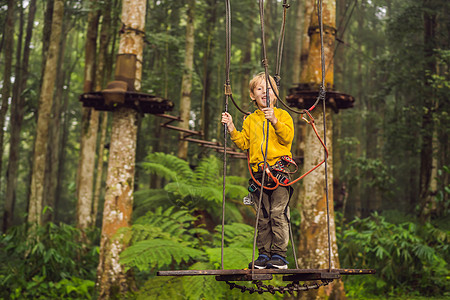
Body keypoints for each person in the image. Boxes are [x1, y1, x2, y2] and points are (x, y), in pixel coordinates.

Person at [221, 72, 294, 269]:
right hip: (259, 175)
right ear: (253, 95)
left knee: (278, 213)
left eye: (269, 89)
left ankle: (279, 255)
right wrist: (232, 127)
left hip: (279, 173)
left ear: (276, 94)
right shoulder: (250, 120)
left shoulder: (282, 115)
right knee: (262, 215)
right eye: (260, 89)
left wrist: (275, 122)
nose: (265, 92)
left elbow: (287, 138)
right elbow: (244, 143)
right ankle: (264, 254)